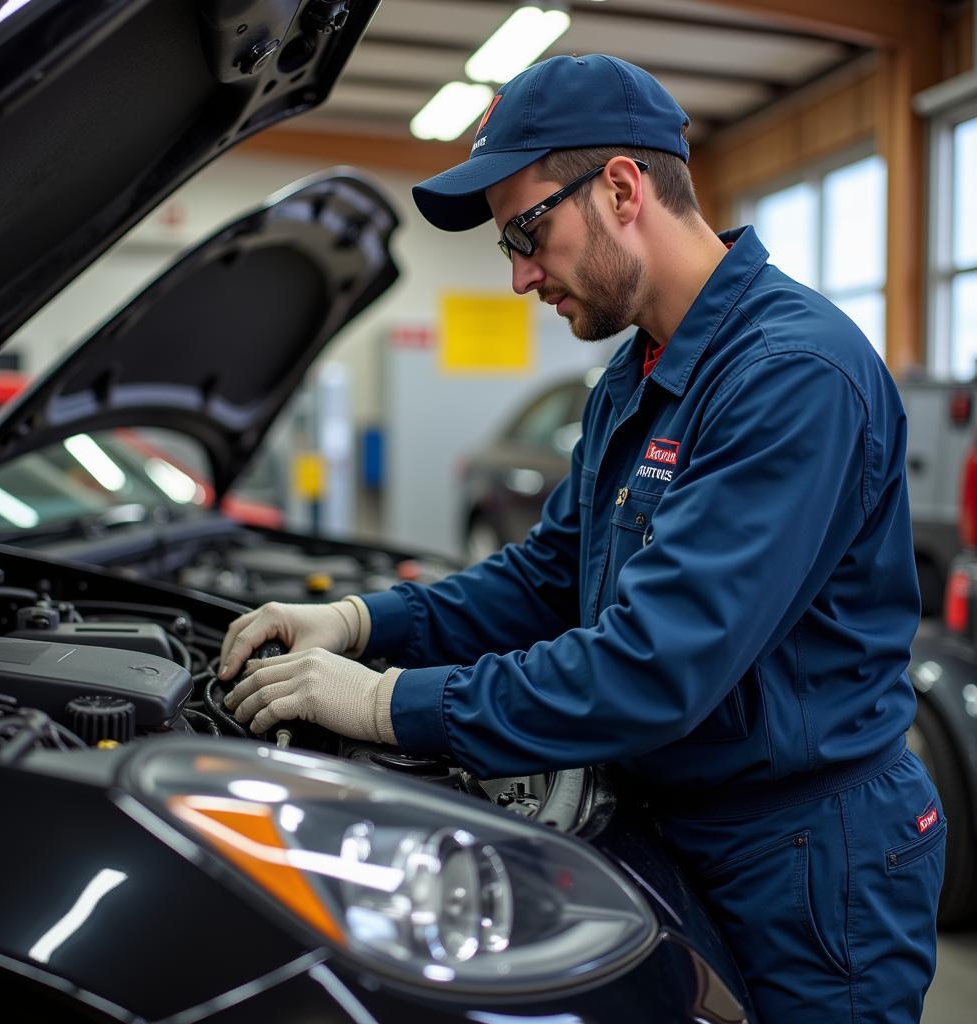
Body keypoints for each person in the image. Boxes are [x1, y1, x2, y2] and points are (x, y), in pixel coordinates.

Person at [217, 55, 944, 1023]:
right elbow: (544, 575)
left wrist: (389, 705)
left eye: (528, 231)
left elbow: (651, 667)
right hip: (680, 827)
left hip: (810, 865)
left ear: (620, 188)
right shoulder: (635, 377)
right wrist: (357, 622)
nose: (519, 275)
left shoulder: (793, 376)